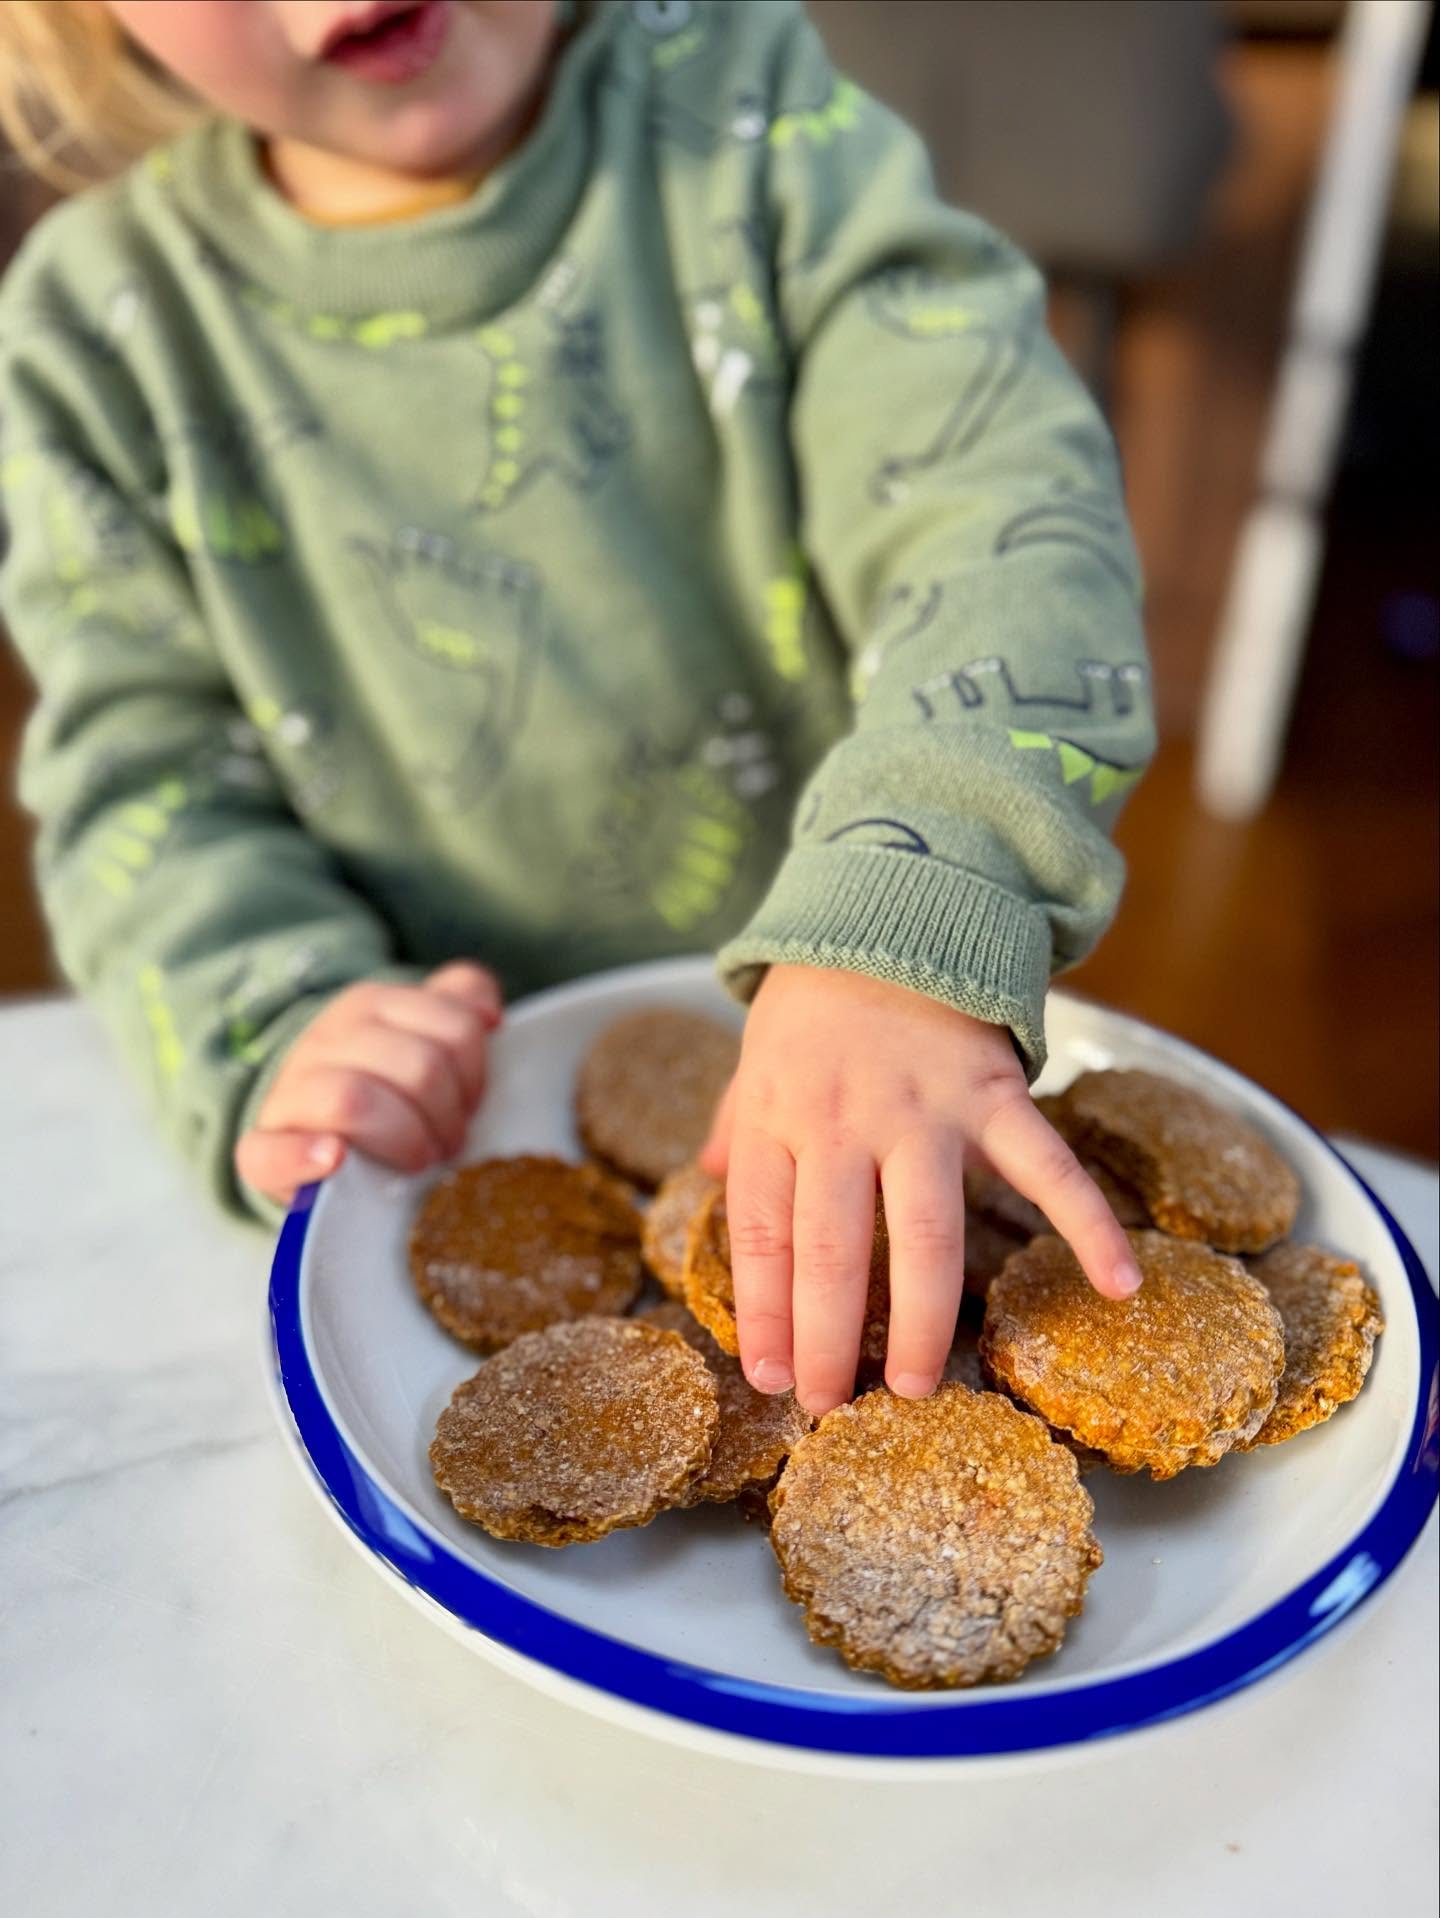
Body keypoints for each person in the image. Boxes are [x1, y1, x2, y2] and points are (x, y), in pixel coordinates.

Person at [0, 0, 1154, 1418]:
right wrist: (273, 1017)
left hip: (874, 1041)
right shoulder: (90, 333)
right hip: (446, 1140)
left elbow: (999, 509)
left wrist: (911, 912)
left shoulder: (748, 111)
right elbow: (146, 770)